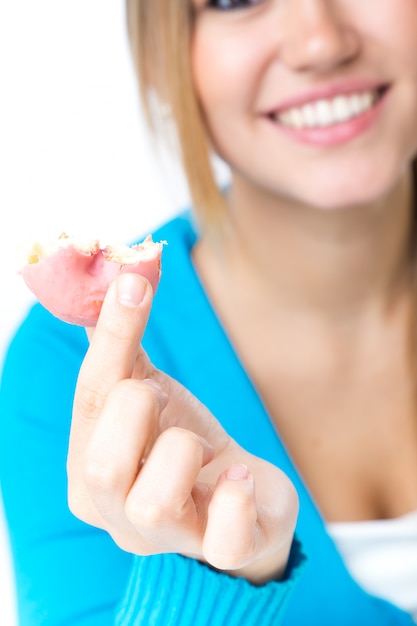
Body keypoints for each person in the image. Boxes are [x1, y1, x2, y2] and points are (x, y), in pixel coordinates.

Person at [1, 0, 417, 623]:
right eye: (233, 0)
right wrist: (215, 582)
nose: (320, 43)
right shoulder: (65, 371)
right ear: (161, 60)